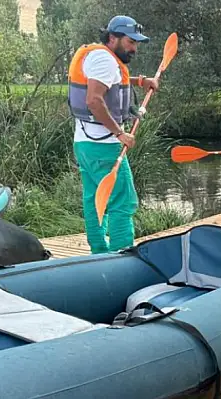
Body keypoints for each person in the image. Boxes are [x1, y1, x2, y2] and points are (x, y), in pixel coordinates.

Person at [67, 15, 159, 254]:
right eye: (130, 42)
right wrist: (120, 133)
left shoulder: (95, 55)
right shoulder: (105, 61)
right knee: (123, 201)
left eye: (136, 43)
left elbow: (112, 84)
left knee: (93, 199)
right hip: (104, 146)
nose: (134, 48)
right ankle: (121, 256)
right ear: (112, 38)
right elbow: (94, 100)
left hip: (84, 144)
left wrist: (141, 81)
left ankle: (98, 252)